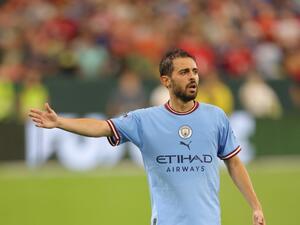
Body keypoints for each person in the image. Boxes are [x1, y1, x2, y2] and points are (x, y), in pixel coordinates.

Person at [29, 49, 265, 225]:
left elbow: (233, 162)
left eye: (194, 71)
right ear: (166, 81)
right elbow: (101, 127)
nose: (192, 77)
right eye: (184, 72)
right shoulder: (144, 120)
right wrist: (60, 123)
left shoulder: (216, 117)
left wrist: (255, 206)